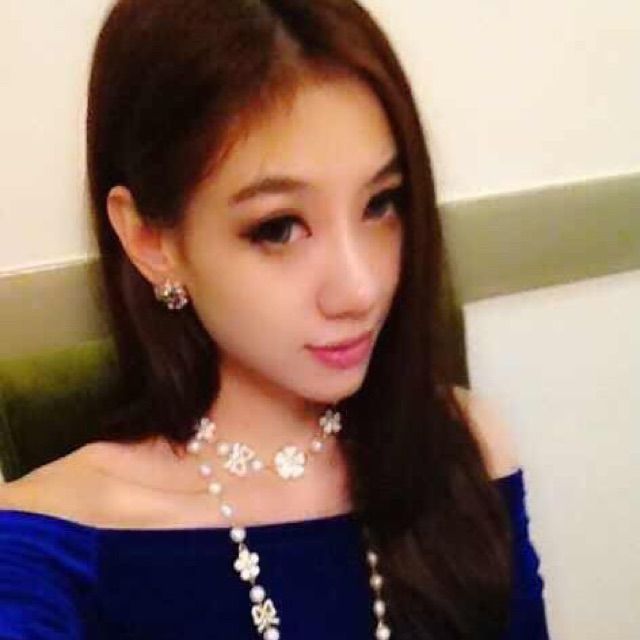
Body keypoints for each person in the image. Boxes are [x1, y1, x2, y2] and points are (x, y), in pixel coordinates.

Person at [0, 0, 549, 638]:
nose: (360, 289)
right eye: (279, 228)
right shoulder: (51, 547)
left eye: (381, 204)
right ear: (151, 240)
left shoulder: (463, 449)